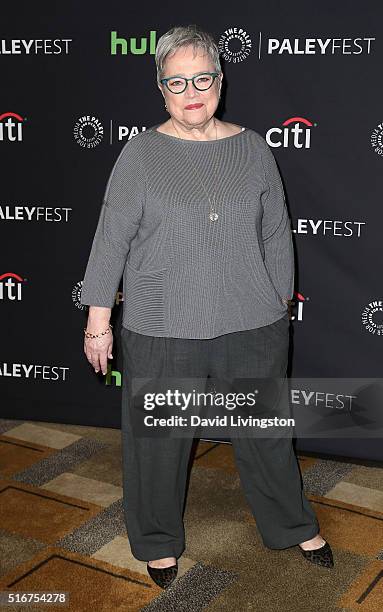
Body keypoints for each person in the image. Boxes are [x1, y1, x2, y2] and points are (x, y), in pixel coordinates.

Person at [80, 24, 334, 589]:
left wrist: (276, 300)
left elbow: (275, 234)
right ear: (161, 89)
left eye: (203, 77)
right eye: (178, 81)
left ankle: (292, 523)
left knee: (265, 431)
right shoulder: (142, 153)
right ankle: (157, 539)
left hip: (253, 322)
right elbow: (110, 240)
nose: (192, 89)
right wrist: (99, 322)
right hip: (163, 325)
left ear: (221, 81)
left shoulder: (253, 147)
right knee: (159, 442)